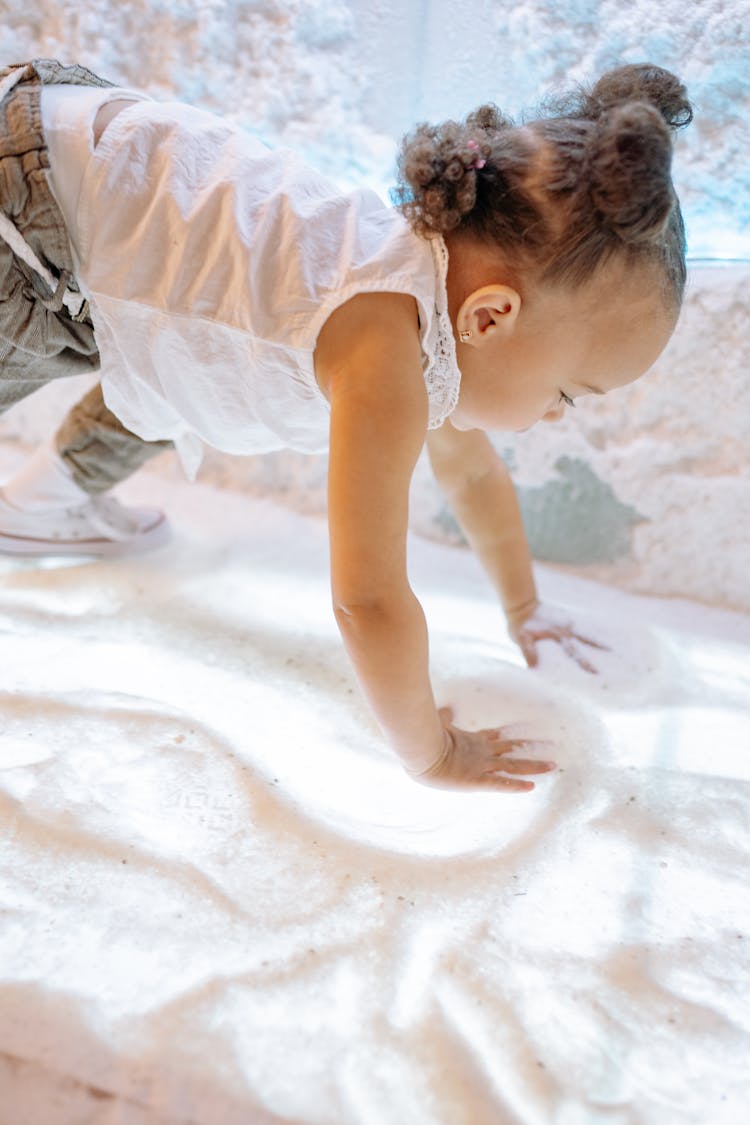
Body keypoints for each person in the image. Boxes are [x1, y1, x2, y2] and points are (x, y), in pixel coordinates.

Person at [0, 59, 692, 790]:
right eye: (567, 392)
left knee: (183, 362)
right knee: (152, 350)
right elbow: (368, 601)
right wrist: (434, 751)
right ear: (490, 316)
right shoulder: (384, 351)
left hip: (74, 153)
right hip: (27, 221)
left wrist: (526, 609)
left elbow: (473, 473)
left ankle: (36, 504)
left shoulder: (421, 293)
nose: (554, 414)